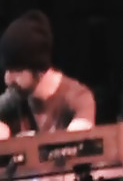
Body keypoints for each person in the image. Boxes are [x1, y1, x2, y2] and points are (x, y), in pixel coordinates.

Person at [0, 10, 96, 139]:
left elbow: (75, 143)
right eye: (7, 70)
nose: (8, 79)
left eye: (16, 70)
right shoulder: (15, 97)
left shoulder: (78, 98)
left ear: (39, 70)